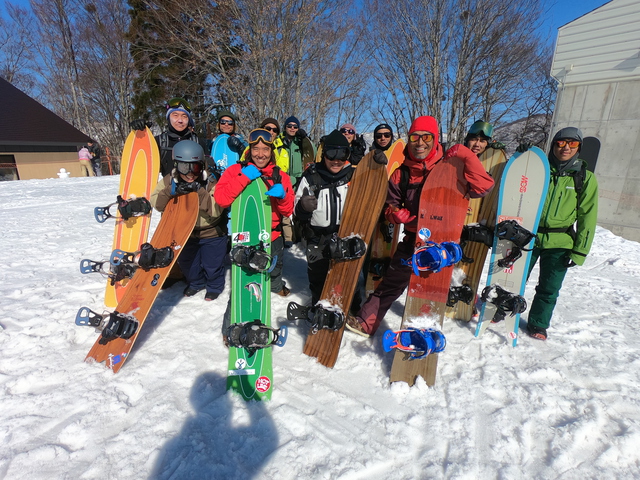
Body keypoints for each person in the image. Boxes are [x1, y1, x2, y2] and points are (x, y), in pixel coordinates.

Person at [345, 115, 495, 338]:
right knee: (391, 283)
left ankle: (425, 338)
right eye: (415, 137)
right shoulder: (402, 173)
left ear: (435, 139)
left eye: (427, 137)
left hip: (444, 244)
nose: (420, 142)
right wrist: (396, 215)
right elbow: (390, 205)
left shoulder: (452, 167)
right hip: (414, 240)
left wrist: (466, 154)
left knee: (431, 292)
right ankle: (366, 322)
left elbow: (483, 187)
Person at [524, 127, 598, 340]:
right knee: (514, 279)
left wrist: (580, 250)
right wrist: (523, 158)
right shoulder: (540, 169)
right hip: (529, 236)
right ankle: (502, 309)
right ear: (553, 145)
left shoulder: (585, 178)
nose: (565, 147)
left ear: (579, 148)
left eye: (572, 144)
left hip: (561, 241)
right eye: (561, 143)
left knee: (549, 288)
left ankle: (538, 324)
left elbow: (588, 216)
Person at [214, 128, 295, 297]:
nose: (260, 154)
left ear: (271, 151)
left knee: (274, 270)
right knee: (247, 277)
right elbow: (221, 199)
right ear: (249, 150)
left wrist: (282, 196)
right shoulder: (234, 171)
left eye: (265, 149)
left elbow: (287, 211)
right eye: (256, 149)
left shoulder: (280, 176)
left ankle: (276, 288)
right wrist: (243, 177)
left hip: (271, 236)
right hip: (245, 235)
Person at [294, 129, 369, 312]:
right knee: (318, 279)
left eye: (342, 154)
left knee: (350, 279)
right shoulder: (311, 176)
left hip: (346, 236)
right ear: (323, 153)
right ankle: (320, 311)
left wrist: (375, 163)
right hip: (318, 238)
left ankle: (352, 311)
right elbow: (296, 214)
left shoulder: (353, 175)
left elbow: (373, 191)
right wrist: (303, 207)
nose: (336, 159)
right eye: (331, 153)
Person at [150, 140, 228, 301]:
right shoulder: (169, 181)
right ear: (176, 166)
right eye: (184, 168)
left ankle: (214, 285)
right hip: (185, 232)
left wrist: (199, 192)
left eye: (196, 167)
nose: (190, 173)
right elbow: (156, 203)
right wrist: (170, 191)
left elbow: (216, 210)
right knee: (188, 264)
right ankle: (196, 282)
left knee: (212, 265)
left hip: (211, 232)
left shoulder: (211, 181)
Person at [130, 97, 205, 177]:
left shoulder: (198, 142)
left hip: (193, 188)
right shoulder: (159, 142)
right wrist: (140, 133)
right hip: (167, 188)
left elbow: (207, 170)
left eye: (184, 116)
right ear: (168, 117)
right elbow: (141, 161)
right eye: (175, 115)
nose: (180, 120)